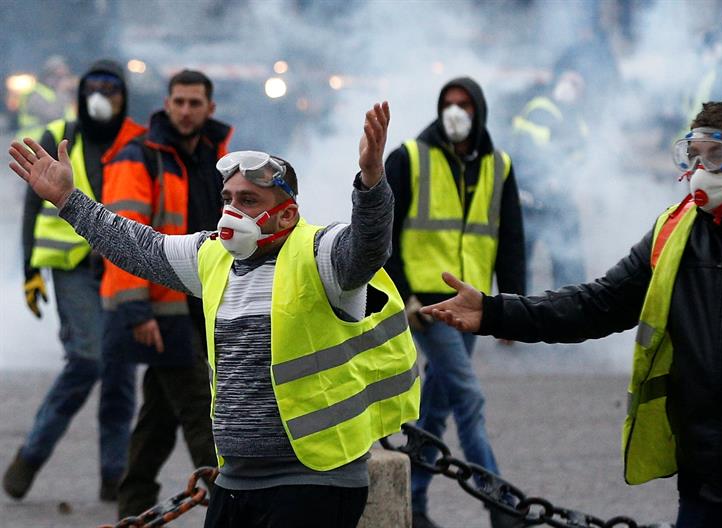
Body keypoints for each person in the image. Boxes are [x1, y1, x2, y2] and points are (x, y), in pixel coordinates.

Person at [421, 98, 722, 527]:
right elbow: (596, 305)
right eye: (692, 155)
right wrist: (493, 312)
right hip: (705, 484)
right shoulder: (671, 233)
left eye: (715, 156)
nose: (699, 171)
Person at [9, 101, 419, 528]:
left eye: (248, 200)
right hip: (237, 481)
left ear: (287, 213)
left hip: (316, 482)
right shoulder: (213, 256)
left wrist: (371, 182)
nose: (232, 211)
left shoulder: (321, 253)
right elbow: (138, 247)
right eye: (227, 198)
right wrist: (67, 200)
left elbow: (368, 248)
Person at [383, 77, 525, 528]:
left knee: (437, 406)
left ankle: (415, 502)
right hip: (428, 307)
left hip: (473, 307)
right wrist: (403, 292)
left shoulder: (499, 166)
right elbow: (381, 232)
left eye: (464, 104)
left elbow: (511, 241)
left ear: (478, 110)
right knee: (469, 400)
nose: (456, 111)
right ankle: (501, 505)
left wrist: (512, 309)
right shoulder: (408, 158)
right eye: (448, 103)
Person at [5, 60, 144, 502]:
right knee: (86, 361)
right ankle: (30, 456)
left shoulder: (138, 142)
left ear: (124, 97)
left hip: (122, 268)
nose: (103, 95)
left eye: (112, 88)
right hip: (73, 270)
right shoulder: (59, 134)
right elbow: (32, 202)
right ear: (81, 93)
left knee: (121, 372)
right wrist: (29, 267)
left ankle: (114, 477)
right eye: (95, 87)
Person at [100, 70, 232, 518]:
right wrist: (137, 310)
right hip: (161, 307)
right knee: (200, 412)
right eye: (179, 101)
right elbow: (122, 238)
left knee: (157, 419)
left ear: (209, 108)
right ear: (166, 103)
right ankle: (235, 508)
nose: (186, 110)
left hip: (203, 302)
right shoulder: (138, 157)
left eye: (195, 103)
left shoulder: (220, 157)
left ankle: (132, 509)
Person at [511, 70, 588, 290]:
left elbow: (581, 160)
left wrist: (565, 181)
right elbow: (525, 154)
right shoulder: (540, 109)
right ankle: (516, 311)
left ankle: (567, 309)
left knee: (569, 263)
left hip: (559, 200)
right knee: (519, 265)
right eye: (568, 81)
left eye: (577, 84)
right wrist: (541, 184)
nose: (571, 88)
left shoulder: (577, 120)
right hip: (531, 200)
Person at [16, 55, 76, 140]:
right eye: (59, 76)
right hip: (34, 145)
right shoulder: (35, 95)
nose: (64, 80)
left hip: (54, 143)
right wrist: (62, 92)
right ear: (48, 77)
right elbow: (53, 115)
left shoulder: (58, 93)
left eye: (66, 76)